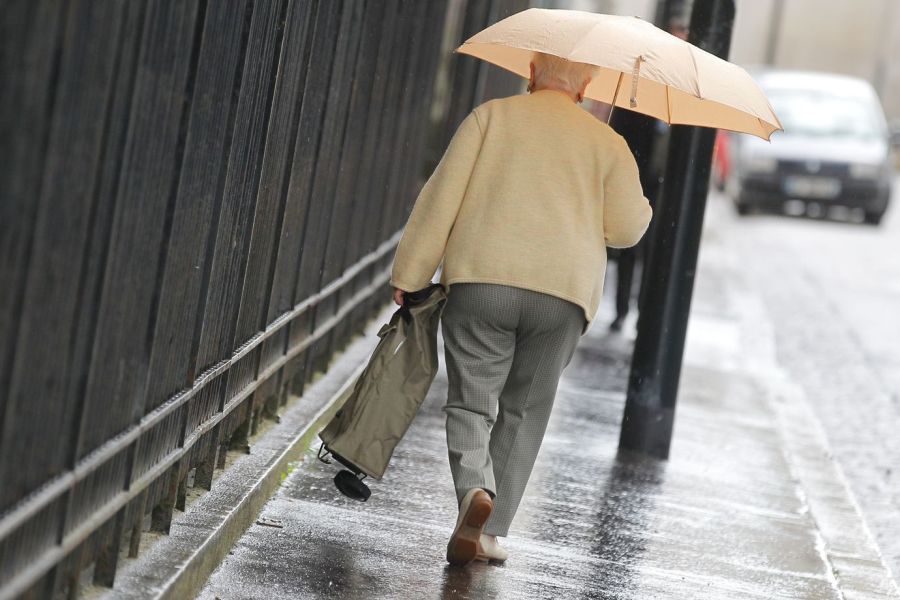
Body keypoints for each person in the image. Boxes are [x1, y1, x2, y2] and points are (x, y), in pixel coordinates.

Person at [389, 52, 652, 567]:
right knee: (525, 410)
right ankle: (490, 534)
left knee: (472, 403)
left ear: (532, 74)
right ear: (587, 85)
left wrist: (411, 275)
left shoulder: (491, 118)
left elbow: (441, 199)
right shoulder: (608, 142)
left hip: (482, 280)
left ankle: (473, 495)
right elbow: (627, 230)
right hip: (562, 296)